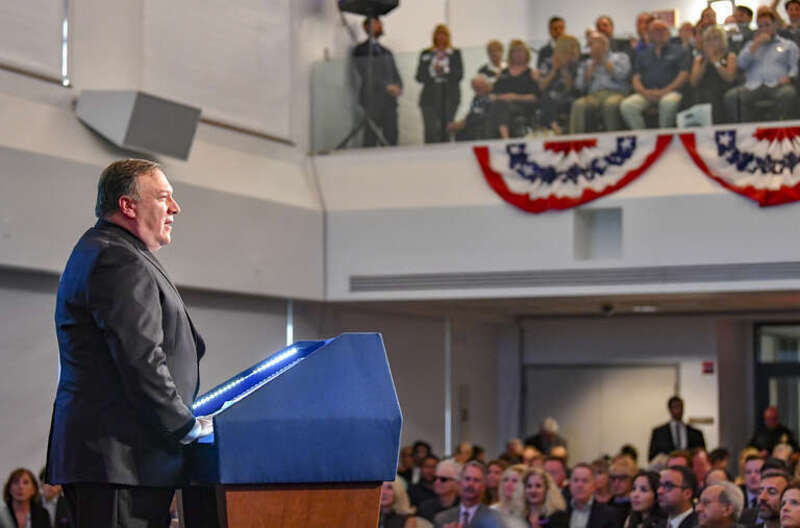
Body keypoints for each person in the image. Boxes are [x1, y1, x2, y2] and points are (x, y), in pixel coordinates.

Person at [45, 159, 211, 528]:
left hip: (121, 463)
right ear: (128, 205)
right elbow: (141, 361)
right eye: (164, 198)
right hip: (119, 463)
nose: (175, 208)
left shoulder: (113, 250)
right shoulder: (116, 258)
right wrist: (186, 427)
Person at [724, 7, 799, 123]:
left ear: (775, 25)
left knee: (789, 94)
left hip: (777, 86)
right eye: (760, 26)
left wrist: (790, 77)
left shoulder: (788, 45)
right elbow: (740, 64)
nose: (764, 29)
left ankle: (774, 128)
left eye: (767, 25)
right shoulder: (750, 45)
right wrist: (756, 44)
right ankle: (748, 130)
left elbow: (795, 66)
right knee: (732, 97)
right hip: (752, 86)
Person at [620, 20, 691, 129]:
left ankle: (663, 138)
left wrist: (665, 91)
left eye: (663, 30)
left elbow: (684, 75)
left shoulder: (680, 51)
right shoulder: (643, 54)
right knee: (627, 105)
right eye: (656, 30)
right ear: (649, 34)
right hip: (647, 93)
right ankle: (643, 137)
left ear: (669, 33)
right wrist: (644, 92)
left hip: (671, 92)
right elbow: (636, 78)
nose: (661, 33)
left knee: (667, 103)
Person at [352, 16, 403, 147]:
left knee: (391, 138)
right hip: (372, 100)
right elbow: (366, 73)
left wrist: (398, 87)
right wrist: (386, 86)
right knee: (370, 138)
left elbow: (395, 73)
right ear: (366, 27)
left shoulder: (387, 52)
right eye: (377, 24)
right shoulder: (360, 50)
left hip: (389, 102)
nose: (381, 26)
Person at [570, 30, 631, 133]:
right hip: (594, 95)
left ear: (604, 44)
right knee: (578, 105)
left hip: (616, 93)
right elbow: (579, 86)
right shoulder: (586, 63)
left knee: (610, 105)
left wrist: (603, 60)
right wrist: (589, 72)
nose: (591, 47)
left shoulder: (620, 57)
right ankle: (576, 141)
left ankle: (613, 138)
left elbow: (623, 76)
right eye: (590, 45)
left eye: (594, 43)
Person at [416, 24, 463, 143]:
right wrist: (432, 72)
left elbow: (459, 75)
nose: (441, 37)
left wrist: (445, 71)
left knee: (445, 129)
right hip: (430, 95)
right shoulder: (426, 53)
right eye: (438, 34)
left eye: (444, 34)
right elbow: (419, 76)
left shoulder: (455, 53)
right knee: (430, 129)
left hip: (449, 95)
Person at [490, 39, 540, 139]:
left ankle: (505, 138)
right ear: (511, 54)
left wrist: (514, 97)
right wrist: (501, 97)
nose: (518, 54)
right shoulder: (503, 73)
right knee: (497, 106)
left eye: (521, 51)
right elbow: (493, 94)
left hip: (523, 106)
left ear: (526, 54)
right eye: (515, 51)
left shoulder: (532, 73)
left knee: (501, 106)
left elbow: (534, 97)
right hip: (502, 105)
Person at [434, 461, 503, 528]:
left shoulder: (495, 519)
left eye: (476, 480)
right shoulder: (442, 519)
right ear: (460, 483)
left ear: (483, 486)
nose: (470, 484)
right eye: (467, 479)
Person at [537, 35, 581, 134]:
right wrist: (554, 70)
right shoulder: (547, 63)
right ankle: (554, 126)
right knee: (546, 97)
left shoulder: (576, 65)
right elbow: (541, 86)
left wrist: (564, 69)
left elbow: (571, 87)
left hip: (569, 95)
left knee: (573, 101)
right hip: (550, 95)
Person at [648, 396, 707, 461]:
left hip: (689, 468)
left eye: (680, 407)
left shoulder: (696, 434)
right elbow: (652, 457)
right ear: (670, 409)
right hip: (666, 467)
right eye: (675, 407)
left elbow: (703, 455)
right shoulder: (659, 433)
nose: (678, 410)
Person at [567, 463, 620, 528]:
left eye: (585, 481)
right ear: (570, 484)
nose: (579, 485)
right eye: (576, 480)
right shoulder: (560, 511)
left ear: (594, 486)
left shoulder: (608, 514)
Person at [609, 456, 638, 520]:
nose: (616, 483)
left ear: (632, 479)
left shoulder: (637, 508)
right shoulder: (605, 506)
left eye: (622, 478)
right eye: (613, 478)